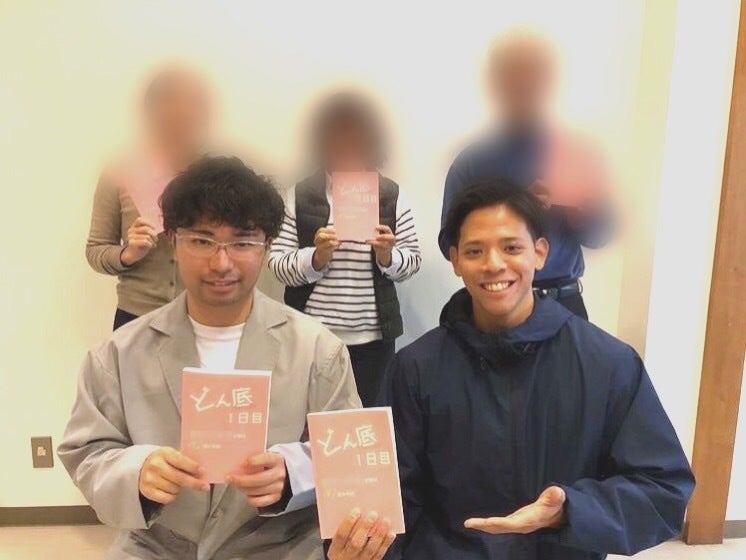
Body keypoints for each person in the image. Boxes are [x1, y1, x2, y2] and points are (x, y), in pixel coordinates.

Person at [59, 157, 394, 560]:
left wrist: (292, 473)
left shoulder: (317, 349)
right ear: (173, 241)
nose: (221, 263)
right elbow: (87, 452)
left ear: (267, 246)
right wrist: (137, 470)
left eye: (242, 243)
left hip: (278, 546)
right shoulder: (119, 352)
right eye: (202, 241)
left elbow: (350, 457)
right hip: (156, 546)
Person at [381, 181, 694, 559]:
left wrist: (569, 511)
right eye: (475, 250)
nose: (494, 264)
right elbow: (393, 494)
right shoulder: (415, 367)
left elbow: (662, 488)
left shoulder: (607, 363)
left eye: (511, 247)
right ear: (456, 260)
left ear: (540, 253)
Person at [438, 30, 612, 320]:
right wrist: (512, 210)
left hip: (564, 303)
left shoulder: (576, 153)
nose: (524, 83)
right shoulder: (471, 162)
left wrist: (584, 217)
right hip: (495, 301)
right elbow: (449, 244)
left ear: (549, 81)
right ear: (495, 84)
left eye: (534, 73)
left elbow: (600, 236)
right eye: (512, 73)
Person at [268, 92, 421, 407]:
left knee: (366, 422)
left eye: (358, 141)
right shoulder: (300, 195)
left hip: (373, 340)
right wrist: (316, 258)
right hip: (312, 335)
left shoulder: (391, 196)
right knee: (311, 421)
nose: (349, 148)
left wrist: (387, 256)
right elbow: (277, 264)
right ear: (323, 144)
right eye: (339, 140)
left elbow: (412, 261)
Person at [86, 67, 211, 330]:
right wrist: (128, 254)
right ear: (150, 111)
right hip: (137, 316)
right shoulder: (121, 172)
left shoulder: (216, 175)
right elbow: (96, 249)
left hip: (204, 316)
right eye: (169, 102)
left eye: (191, 103)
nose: (180, 113)